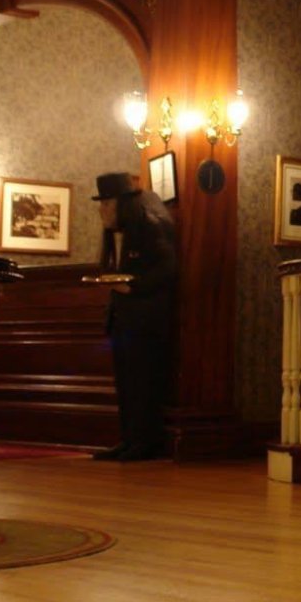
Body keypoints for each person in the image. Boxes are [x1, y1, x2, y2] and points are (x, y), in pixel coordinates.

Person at [93, 172, 178, 461]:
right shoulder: (120, 233)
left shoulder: (150, 227)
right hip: (124, 318)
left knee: (143, 382)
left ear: (123, 204)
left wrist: (132, 287)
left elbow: (168, 269)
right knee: (126, 382)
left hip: (145, 321)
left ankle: (144, 442)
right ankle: (129, 439)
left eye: (107, 204)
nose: (102, 210)